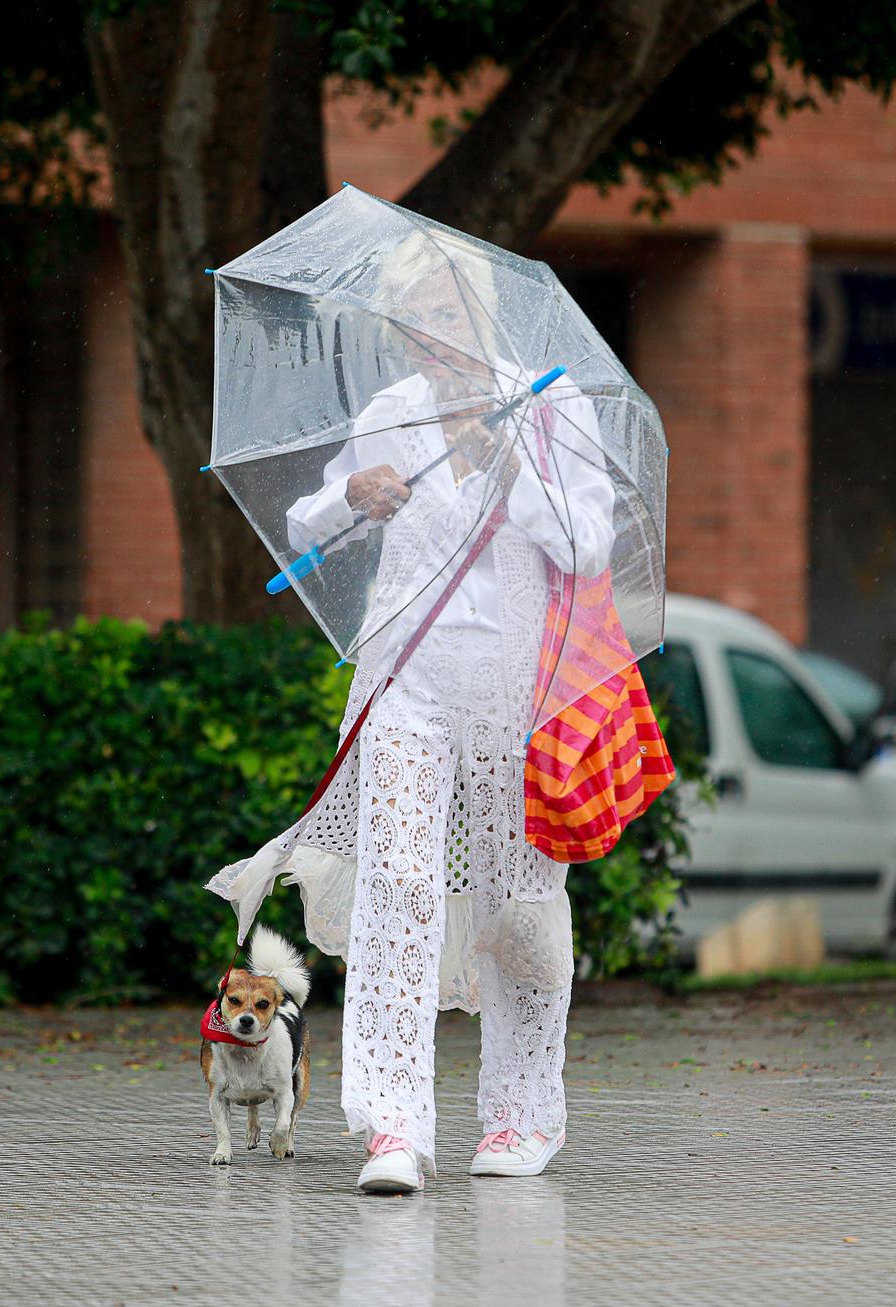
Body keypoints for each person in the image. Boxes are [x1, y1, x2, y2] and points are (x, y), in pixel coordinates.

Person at [210, 234, 615, 1193]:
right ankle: (393, 1124)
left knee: (518, 904)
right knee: (398, 883)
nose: (430, 334)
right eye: (412, 319)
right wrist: (353, 491)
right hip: (407, 680)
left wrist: (513, 464)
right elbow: (315, 517)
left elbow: (589, 543)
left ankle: (522, 1114)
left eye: (445, 313)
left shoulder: (551, 405)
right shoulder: (392, 412)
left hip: (516, 689)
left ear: (480, 315)